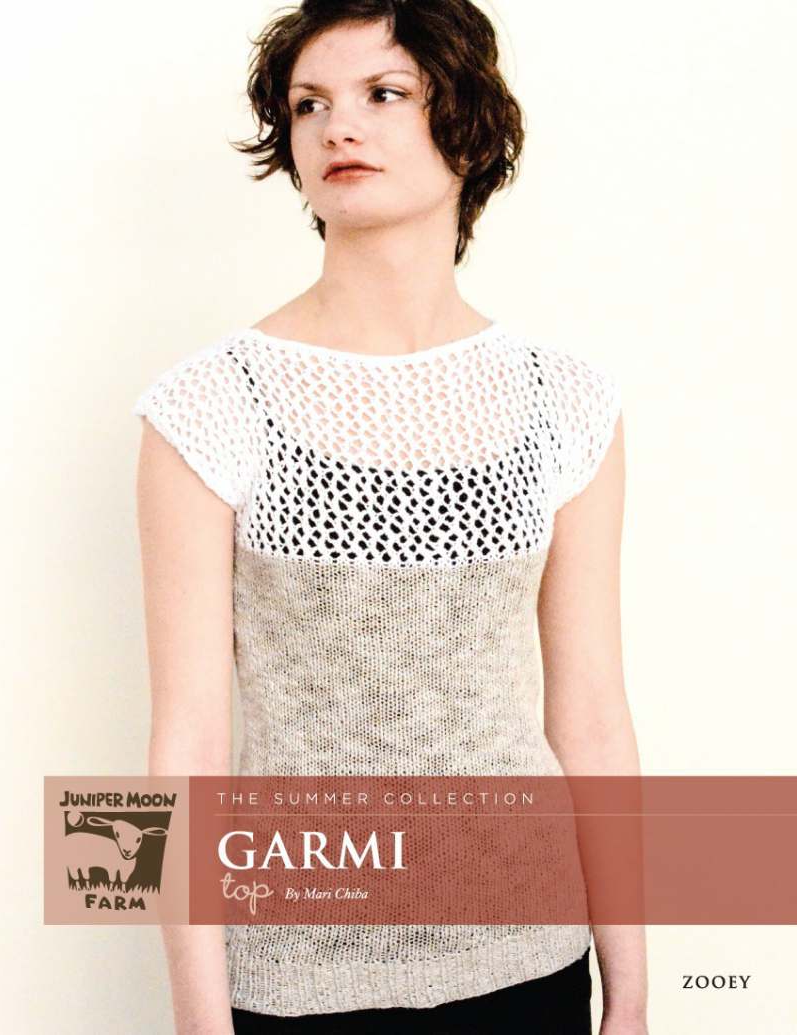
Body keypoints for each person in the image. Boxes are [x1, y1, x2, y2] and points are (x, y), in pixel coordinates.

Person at [132, 1, 649, 1032]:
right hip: (292, 981)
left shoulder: (566, 402)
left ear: (468, 125)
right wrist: (197, 1015)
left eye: (384, 93)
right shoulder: (208, 405)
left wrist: (630, 985)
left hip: (532, 964)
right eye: (308, 105)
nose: (339, 127)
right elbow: (184, 743)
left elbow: (590, 713)